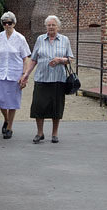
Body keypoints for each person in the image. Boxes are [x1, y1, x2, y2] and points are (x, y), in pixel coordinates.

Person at [19, 15, 74, 143]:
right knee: (39, 106)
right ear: (46, 27)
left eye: (53, 25)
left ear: (58, 27)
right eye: (48, 25)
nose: (51, 27)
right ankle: (40, 133)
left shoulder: (64, 40)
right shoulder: (40, 39)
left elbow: (70, 59)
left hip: (58, 79)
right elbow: (33, 59)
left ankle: (54, 134)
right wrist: (26, 74)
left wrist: (60, 60)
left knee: (56, 107)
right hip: (42, 78)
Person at [0, 11, 31, 140]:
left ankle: (9, 127)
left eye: (10, 23)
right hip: (1, 73)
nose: (7, 25)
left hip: (15, 74)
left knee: (12, 102)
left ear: (14, 23)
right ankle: (6, 119)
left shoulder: (20, 38)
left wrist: (24, 75)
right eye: (5, 23)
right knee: (1, 101)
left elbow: (25, 58)